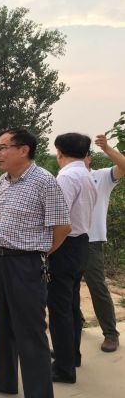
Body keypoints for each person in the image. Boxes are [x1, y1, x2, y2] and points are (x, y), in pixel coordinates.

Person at [0, 128, 71, 398]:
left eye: (3, 148)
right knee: (3, 324)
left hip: (26, 264)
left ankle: (38, 393)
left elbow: (63, 227)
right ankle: (4, 380)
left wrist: (40, 253)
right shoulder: (2, 181)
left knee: (30, 330)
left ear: (24, 150)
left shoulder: (44, 181)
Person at [47, 133, 97, 384]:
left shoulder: (66, 177)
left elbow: (60, 219)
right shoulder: (86, 174)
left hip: (65, 245)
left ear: (59, 152)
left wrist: (48, 249)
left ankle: (63, 368)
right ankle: (71, 354)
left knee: (59, 309)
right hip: (81, 244)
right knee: (71, 304)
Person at [83, 134, 125, 352]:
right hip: (66, 240)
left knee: (97, 287)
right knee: (65, 285)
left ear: (89, 158)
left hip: (91, 242)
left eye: (81, 156)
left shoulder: (101, 177)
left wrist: (107, 148)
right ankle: (76, 321)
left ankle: (110, 333)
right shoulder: (62, 178)